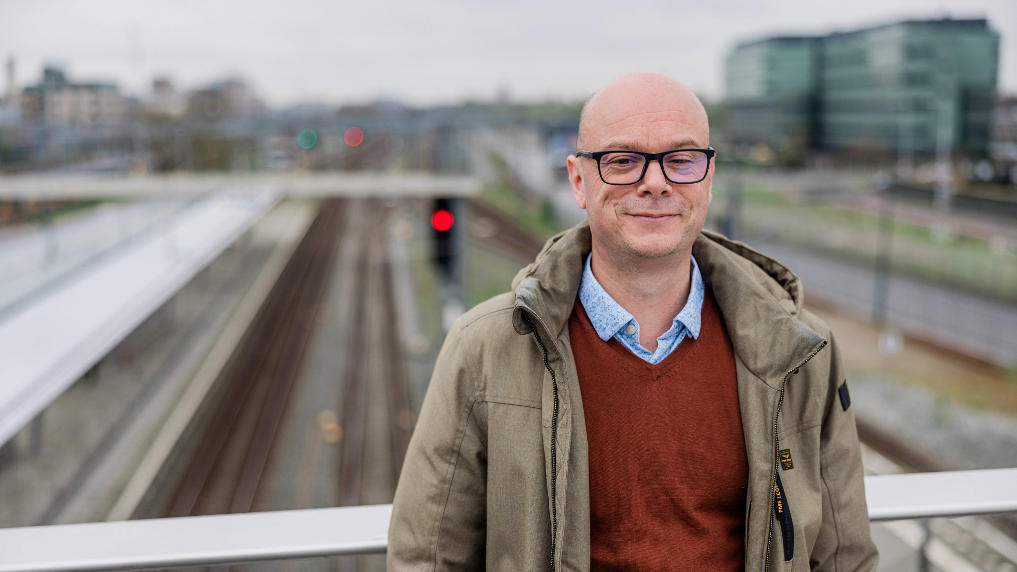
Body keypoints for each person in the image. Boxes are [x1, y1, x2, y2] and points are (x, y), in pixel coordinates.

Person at [388, 71, 878, 571]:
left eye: (681, 160)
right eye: (623, 161)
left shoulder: (804, 351)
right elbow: (426, 559)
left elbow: (845, 558)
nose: (655, 183)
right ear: (579, 180)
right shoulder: (485, 349)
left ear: (708, 179)